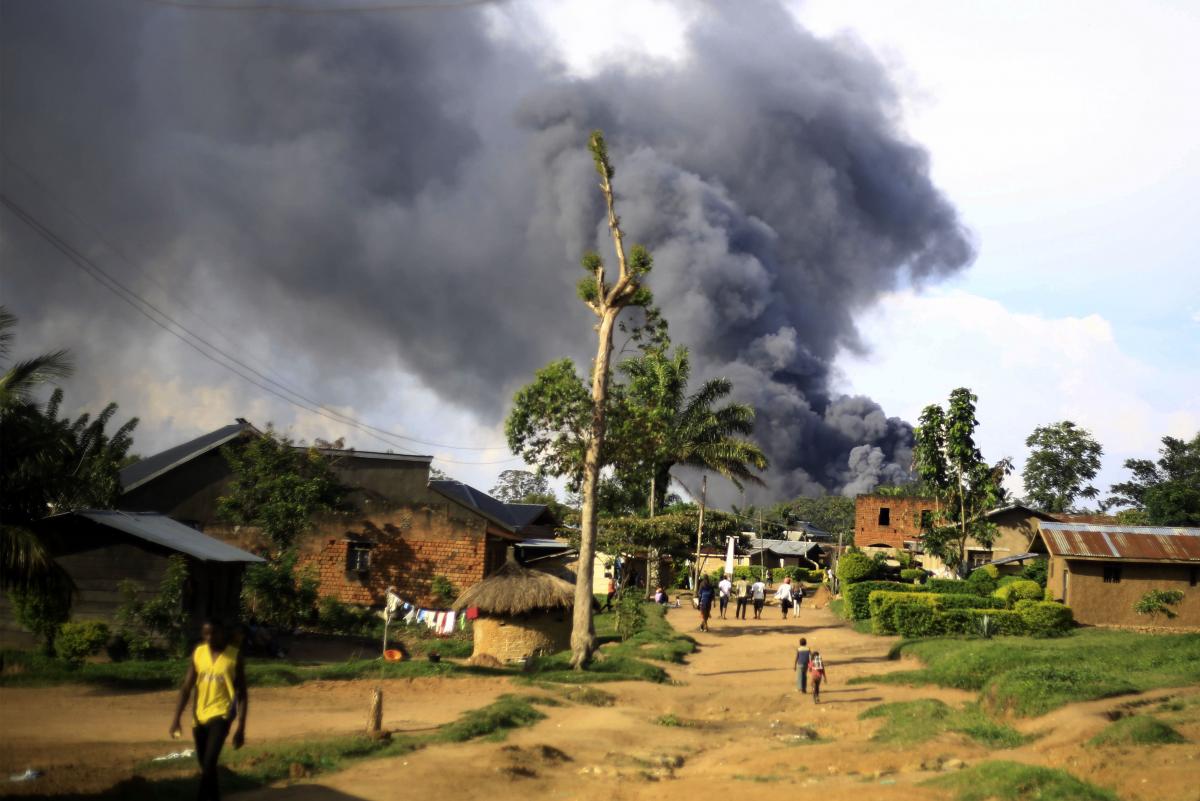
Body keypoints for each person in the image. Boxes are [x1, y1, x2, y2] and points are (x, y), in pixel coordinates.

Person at [171, 621, 247, 801]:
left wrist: (241, 728)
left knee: (209, 761)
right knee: (206, 767)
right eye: (206, 634)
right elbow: (186, 688)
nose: (209, 638)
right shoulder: (198, 653)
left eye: (213, 634)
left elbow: (242, 694)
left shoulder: (234, 656)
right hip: (199, 716)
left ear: (222, 634)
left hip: (222, 715)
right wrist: (176, 718)